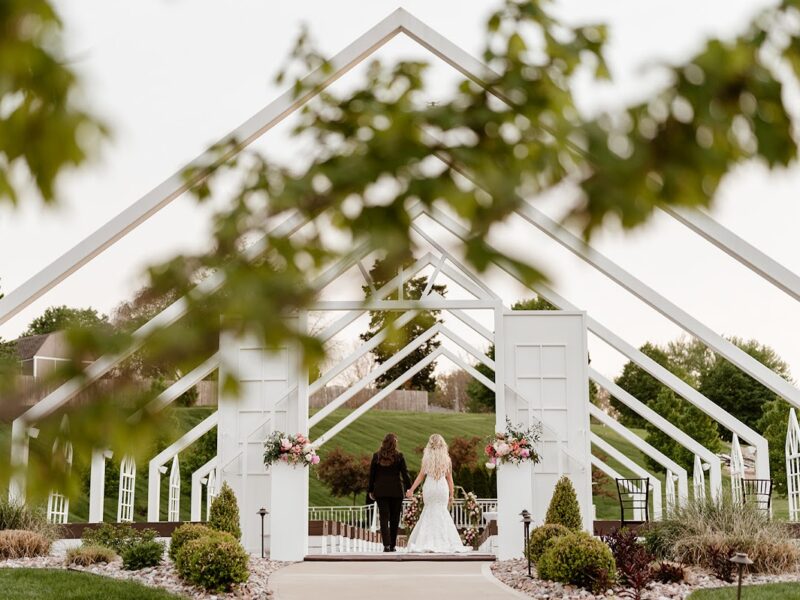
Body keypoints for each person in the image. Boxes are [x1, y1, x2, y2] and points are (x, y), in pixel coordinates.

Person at [405, 434, 470, 553]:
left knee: (428, 511)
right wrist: (451, 495)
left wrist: (411, 489)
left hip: (430, 487)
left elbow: (421, 476)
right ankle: (444, 542)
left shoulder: (426, 459)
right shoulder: (446, 459)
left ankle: (426, 541)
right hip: (441, 487)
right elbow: (450, 479)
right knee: (442, 512)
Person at [368, 433, 411, 552]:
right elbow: (405, 474)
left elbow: (372, 475)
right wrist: (409, 488)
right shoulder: (399, 456)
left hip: (381, 491)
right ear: (395, 443)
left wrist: (370, 490)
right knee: (394, 518)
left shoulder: (376, 456)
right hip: (396, 491)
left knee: (383, 517)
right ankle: (392, 545)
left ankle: (386, 545)